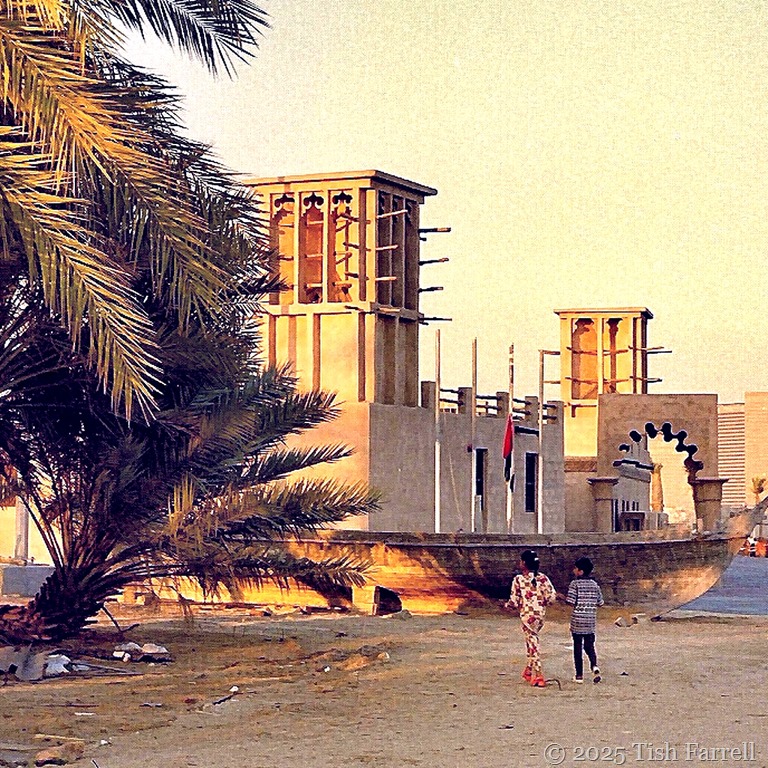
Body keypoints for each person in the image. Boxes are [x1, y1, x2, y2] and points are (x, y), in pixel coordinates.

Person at [505, 549, 557, 687]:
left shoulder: (519, 579)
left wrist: (507, 606)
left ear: (523, 563)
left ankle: (538, 675)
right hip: (540, 616)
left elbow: (514, 601)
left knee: (533, 644)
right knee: (531, 642)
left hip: (527, 616)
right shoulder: (543, 578)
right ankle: (528, 670)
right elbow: (551, 598)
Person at [565, 556, 604, 684]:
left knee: (577, 648)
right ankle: (594, 666)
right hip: (590, 619)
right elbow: (600, 602)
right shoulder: (595, 585)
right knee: (590, 646)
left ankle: (579, 675)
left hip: (578, 620)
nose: (573, 570)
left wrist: (561, 597)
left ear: (580, 571)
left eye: (575, 568)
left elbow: (571, 602)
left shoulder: (575, 584)